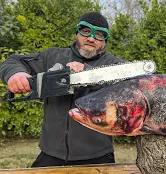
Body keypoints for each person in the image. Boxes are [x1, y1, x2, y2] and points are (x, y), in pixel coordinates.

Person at [0, 12, 124, 167]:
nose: (91, 38)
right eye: (86, 31)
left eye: (99, 35)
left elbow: (128, 90)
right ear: (77, 33)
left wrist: (89, 74)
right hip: (51, 153)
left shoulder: (116, 65)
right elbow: (13, 61)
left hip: (98, 155)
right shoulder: (52, 56)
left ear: (105, 40)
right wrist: (15, 74)